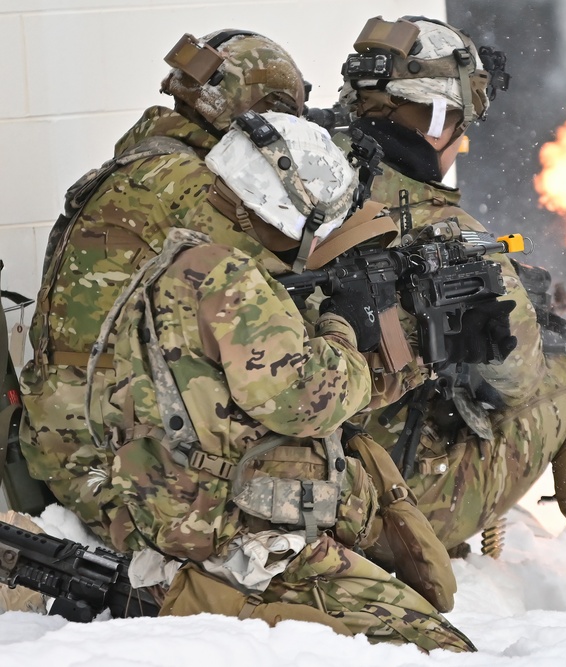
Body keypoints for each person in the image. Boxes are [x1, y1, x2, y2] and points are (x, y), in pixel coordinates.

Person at [87, 111, 473, 651]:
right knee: (430, 646)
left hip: (195, 516)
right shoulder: (227, 277)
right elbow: (304, 400)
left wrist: (407, 361)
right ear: (279, 206)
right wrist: (343, 327)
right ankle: (207, 598)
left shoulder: (182, 263)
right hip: (239, 537)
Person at [334, 16, 566, 611]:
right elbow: (516, 382)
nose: (460, 142)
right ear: (438, 119)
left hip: (290, 493)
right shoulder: (443, 233)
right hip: (390, 511)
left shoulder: (284, 196)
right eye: (459, 125)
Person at [19, 29, 310, 544]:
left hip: (64, 427)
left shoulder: (144, 163)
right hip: (101, 452)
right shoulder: (186, 183)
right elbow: (280, 291)